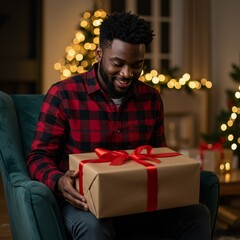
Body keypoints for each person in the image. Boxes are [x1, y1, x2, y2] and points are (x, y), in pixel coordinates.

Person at [27, 11, 211, 240]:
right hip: (83, 204)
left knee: (198, 214)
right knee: (94, 226)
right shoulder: (64, 95)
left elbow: (159, 155)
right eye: (118, 63)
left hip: (137, 203)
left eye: (137, 65)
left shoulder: (151, 99)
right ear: (98, 54)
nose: (127, 74)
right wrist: (59, 181)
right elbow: (38, 157)